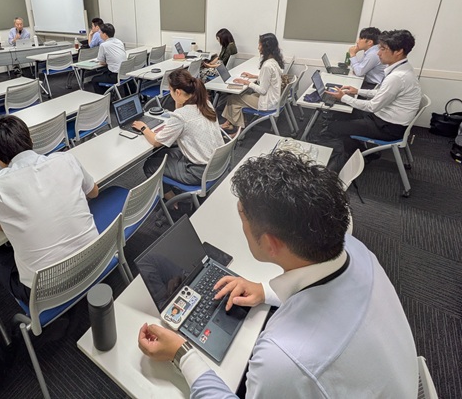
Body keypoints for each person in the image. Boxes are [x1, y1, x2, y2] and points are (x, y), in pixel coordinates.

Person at [137, 151, 418, 398]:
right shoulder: (358, 251)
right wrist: (264, 291)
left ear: (271, 244)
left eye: (242, 218)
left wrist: (182, 354)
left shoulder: (282, 360)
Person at [0, 115, 99, 303]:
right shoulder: (66, 159)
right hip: (95, 260)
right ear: (31, 139)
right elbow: (94, 192)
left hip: (44, 291)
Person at [321, 29, 421, 170]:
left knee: (334, 127)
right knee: (342, 115)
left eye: (383, 49)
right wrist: (357, 91)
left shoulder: (397, 77)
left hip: (388, 127)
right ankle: (360, 151)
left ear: (398, 51)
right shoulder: (402, 69)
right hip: (387, 120)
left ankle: (362, 156)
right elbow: (381, 93)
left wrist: (344, 98)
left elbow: (372, 106)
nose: (378, 53)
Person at [133, 69, 224, 194]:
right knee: (162, 153)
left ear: (178, 92)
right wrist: (179, 100)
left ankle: (173, 202)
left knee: (150, 165)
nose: (169, 93)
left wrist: (143, 128)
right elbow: (181, 113)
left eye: (170, 90)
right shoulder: (206, 103)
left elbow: (156, 142)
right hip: (217, 163)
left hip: (198, 172)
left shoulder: (181, 116)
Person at [220, 33, 283, 131]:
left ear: (266, 47)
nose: (258, 48)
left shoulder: (267, 66)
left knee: (232, 99)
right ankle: (231, 124)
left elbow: (262, 90)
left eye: (260, 45)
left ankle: (238, 130)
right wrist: (254, 76)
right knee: (237, 101)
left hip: (267, 103)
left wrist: (247, 82)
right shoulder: (274, 61)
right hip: (274, 99)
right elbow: (270, 79)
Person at [90, 23, 126, 95]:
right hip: (125, 73)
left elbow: (101, 62)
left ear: (105, 34)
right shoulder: (119, 42)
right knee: (104, 73)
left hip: (115, 76)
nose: (99, 34)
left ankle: (104, 98)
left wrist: (108, 61)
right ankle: (109, 94)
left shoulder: (103, 45)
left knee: (94, 79)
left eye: (100, 32)